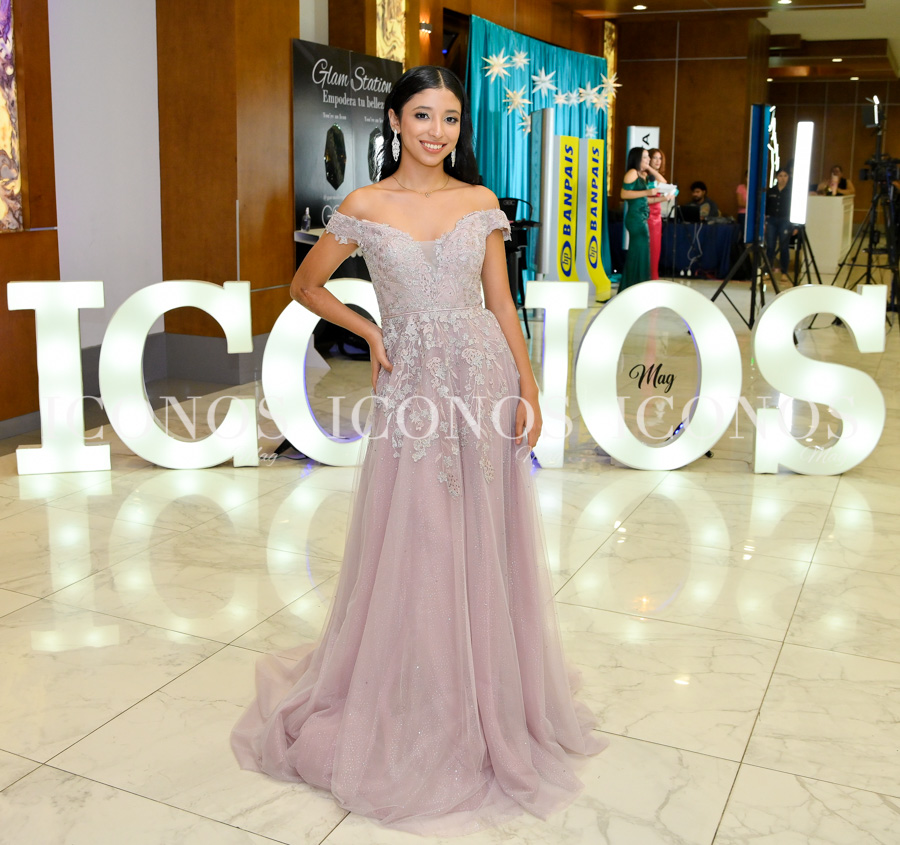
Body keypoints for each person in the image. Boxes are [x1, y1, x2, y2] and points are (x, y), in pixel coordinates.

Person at [231, 65, 603, 836]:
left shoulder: (479, 202)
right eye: (424, 115)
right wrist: (370, 330)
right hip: (414, 386)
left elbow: (501, 302)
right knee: (422, 535)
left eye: (451, 118)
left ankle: (482, 689)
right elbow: (305, 285)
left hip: (482, 375)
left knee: (481, 535)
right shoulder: (365, 206)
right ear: (396, 121)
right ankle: (421, 693)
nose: (438, 131)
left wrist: (529, 387)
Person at [619, 146, 660, 290]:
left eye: (648, 156)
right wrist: (647, 192)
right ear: (637, 159)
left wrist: (649, 168)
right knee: (638, 253)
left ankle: (636, 286)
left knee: (641, 253)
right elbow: (624, 194)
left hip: (642, 217)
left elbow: (662, 182)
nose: (648, 159)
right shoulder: (632, 173)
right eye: (645, 157)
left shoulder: (644, 175)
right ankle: (633, 286)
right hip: (636, 218)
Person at [765, 167, 794, 282]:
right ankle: (768, 271)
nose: (783, 178)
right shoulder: (771, 191)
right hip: (771, 220)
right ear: (777, 177)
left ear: (788, 177)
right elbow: (766, 207)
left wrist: (794, 225)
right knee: (770, 246)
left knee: (784, 247)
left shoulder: (791, 191)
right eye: (780, 176)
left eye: (785, 176)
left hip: (785, 220)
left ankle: (784, 272)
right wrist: (764, 222)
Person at [646, 148, 668, 280]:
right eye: (655, 158)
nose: (658, 161)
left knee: (656, 250)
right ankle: (648, 277)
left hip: (657, 217)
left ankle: (654, 276)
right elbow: (663, 182)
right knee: (648, 250)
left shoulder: (656, 176)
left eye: (660, 158)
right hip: (647, 215)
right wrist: (648, 167)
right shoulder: (645, 176)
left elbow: (664, 182)